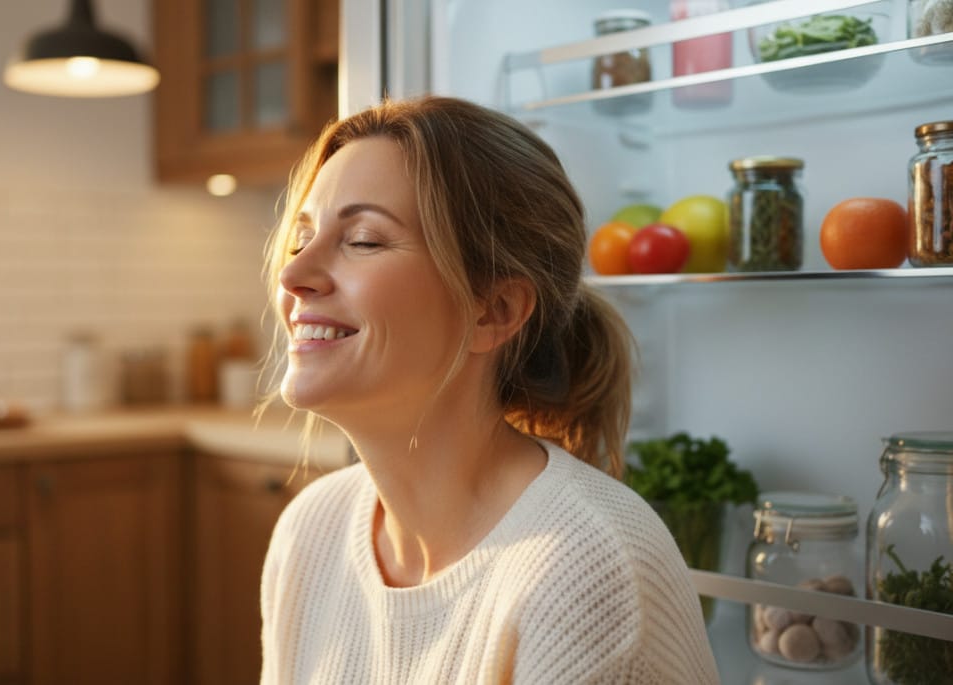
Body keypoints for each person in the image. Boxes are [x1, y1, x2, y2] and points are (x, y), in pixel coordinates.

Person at [258, 96, 719, 684]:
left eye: (365, 240)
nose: (292, 274)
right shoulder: (312, 531)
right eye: (301, 238)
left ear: (493, 311)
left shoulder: (589, 575)